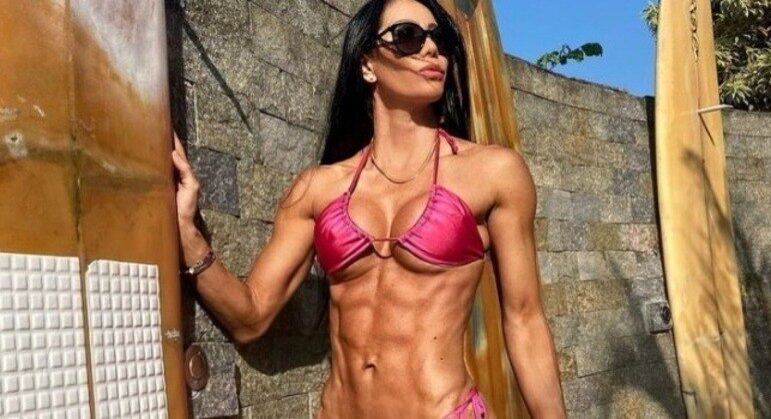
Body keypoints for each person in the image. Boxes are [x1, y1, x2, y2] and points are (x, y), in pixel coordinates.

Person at [171, 0, 567, 417]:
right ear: (367, 64)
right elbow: (250, 316)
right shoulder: (318, 188)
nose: (431, 49)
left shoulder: (493, 173)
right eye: (408, 36)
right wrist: (187, 233)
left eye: (441, 38)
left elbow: (525, 321)